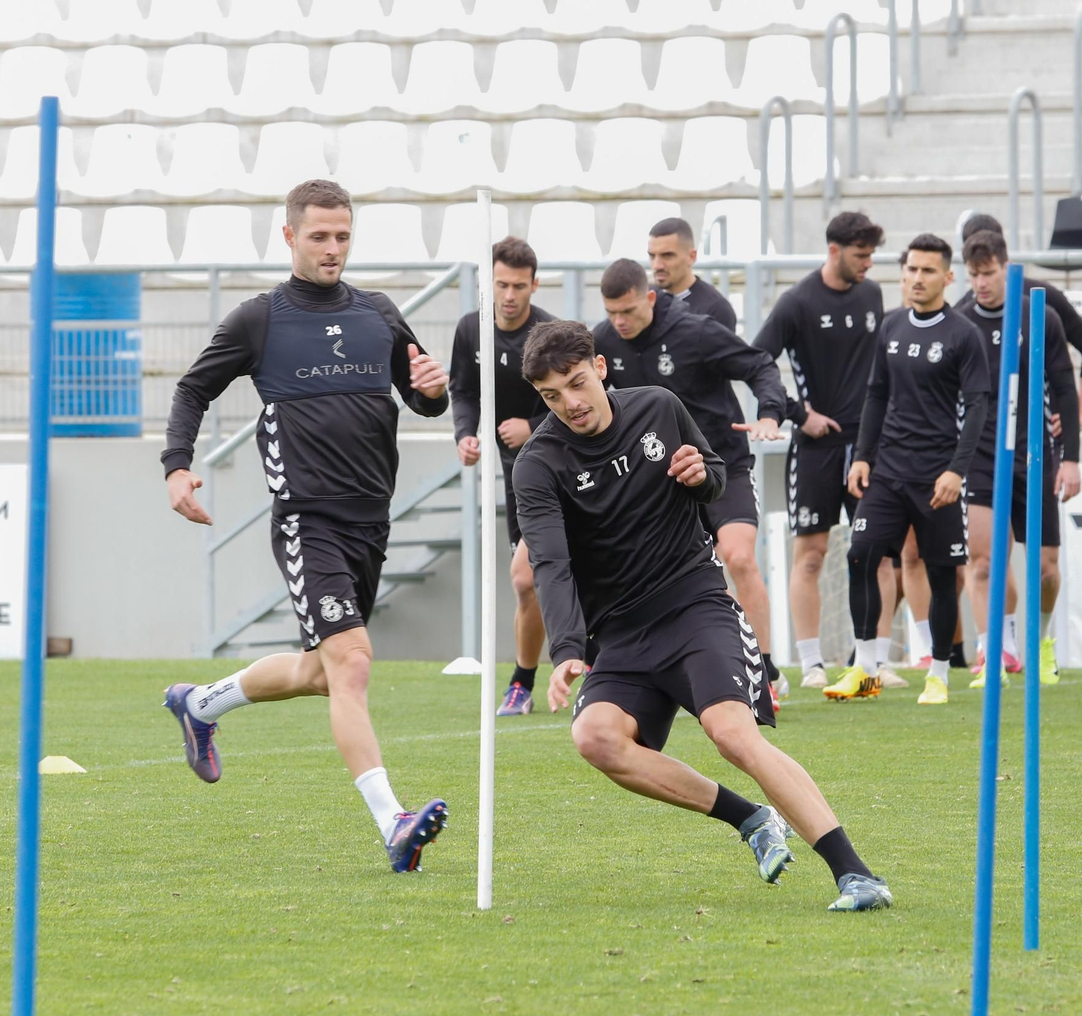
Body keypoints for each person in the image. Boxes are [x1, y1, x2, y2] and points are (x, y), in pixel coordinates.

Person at [514, 320, 892, 911]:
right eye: (550, 397)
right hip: (620, 633)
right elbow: (551, 564)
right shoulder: (538, 464)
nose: (569, 404)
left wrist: (700, 476)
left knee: (731, 734)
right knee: (595, 737)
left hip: (695, 607)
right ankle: (751, 819)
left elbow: (716, 478)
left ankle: (856, 873)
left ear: (601, 369)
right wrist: (565, 651)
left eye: (576, 383)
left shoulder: (660, 408)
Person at [158, 179, 449, 873]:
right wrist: (177, 466)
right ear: (289, 236)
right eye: (319, 236)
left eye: (343, 236)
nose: (332, 248)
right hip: (308, 518)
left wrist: (433, 391)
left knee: (323, 672)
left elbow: (420, 397)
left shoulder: (379, 313)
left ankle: (200, 704)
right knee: (352, 665)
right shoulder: (259, 319)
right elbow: (192, 389)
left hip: (370, 520)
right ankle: (394, 823)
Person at [592, 258, 792, 707]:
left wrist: (769, 414)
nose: (619, 322)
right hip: (658, 482)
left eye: (629, 312)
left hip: (721, 466)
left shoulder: (695, 331)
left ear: (650, 298)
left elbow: (760, 365)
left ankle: (765, 670)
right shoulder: (602, 342)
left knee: (738, 557)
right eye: (611, 313)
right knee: (684, 580)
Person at [824, 234, 990, 706]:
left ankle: (938, 672)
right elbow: (876, 395)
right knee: (860, 554)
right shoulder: (892, 326)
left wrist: (957, 470)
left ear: (947, 276)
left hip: (937, 477)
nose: (917, 279)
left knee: (940, 574)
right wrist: (862, 456)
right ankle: (866, 668)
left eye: (928, 271)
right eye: (911, 270)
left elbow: (978, 406)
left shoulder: (963, 335)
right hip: (888, 473)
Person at [750, 211, 902, 689]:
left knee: (876, 553)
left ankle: (874, 660)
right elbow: (756, 360)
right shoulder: (797, 302)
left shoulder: (873, 294)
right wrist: (798, 414)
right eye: (861, 255)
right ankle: (812, 662)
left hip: (869, 445)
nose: (868, 265)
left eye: (872, 256)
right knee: (811, 554)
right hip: (816, 447)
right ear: (834, 251)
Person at [958, 230, 1082, 690]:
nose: (981, 284)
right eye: (973, 275)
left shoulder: (1040, 316)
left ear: (1006, 267)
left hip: (1036, 454)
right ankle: (995, 649)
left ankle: (1042, 643)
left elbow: (1065, 388)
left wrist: (1071, 457)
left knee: (1046, 567)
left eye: (988, 273)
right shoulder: (961, 321)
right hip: (983, 456)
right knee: (985, 561)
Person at [449, 236, 557, 716]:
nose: (509, 295)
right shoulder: (472, 330)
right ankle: (525, 684)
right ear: (487, 283)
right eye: (500, 284)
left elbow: (583, 402)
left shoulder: (551, 334)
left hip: (562, 468)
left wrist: (532, 426)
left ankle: (588, 670)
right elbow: (462, 389)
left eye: (518, 285)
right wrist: (466, 434)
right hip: (519, 476)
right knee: (528, 582)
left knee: (534, 576)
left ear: (534, 285)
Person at [956, 213, 1082, 428]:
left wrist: (1078, 411)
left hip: (1042, 426)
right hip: (985, 433)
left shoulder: (1043, 297)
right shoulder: (962, 312)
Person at [647, 216, 738, 331]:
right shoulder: (645, 300)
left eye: (667, 256)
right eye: (652, 256)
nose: (657, 265)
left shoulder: (715, 309)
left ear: (691, 256)